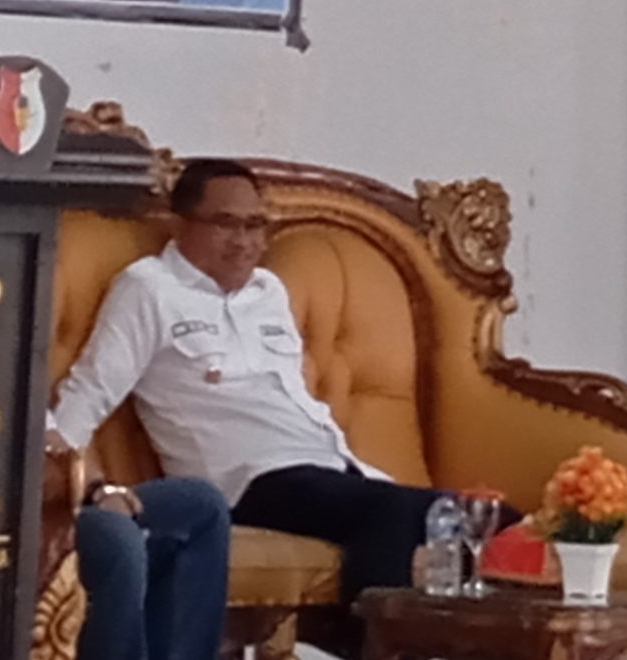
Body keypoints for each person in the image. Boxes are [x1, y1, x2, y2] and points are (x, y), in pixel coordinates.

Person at [49, 158, 454, 606]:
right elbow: (91, 389)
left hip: (330, 466)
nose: (243, 242)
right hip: (246, 481)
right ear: (179, 224)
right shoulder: (150, 289)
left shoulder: (268, 291)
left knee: (483, 519)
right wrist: (71, 475)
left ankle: (450, 638)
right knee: (388, 511)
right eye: (225, 224)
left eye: (255, 225)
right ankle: (367, 639)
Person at [68, 472, 230, 660]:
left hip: (83, 497)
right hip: (49, 512)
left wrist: (103, 491)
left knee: (206, 506)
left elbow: (77, 462)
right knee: (121, 539)